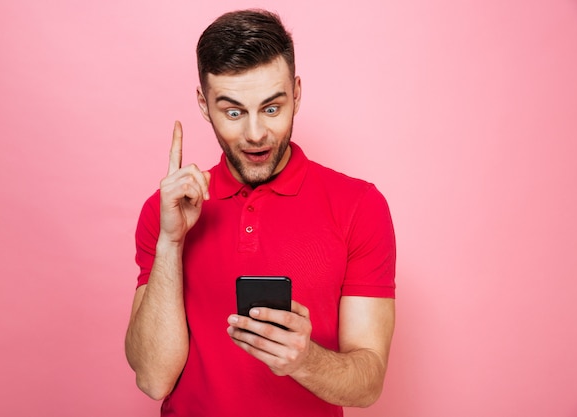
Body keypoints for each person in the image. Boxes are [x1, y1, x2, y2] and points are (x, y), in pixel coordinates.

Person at [125, 9, 396, 417]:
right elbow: (153, 379)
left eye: (271, 108)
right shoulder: (166, 212)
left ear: (297, 94)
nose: (255, 134)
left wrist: (305, 360)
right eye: (233, 112)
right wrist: (171, 241)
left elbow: (368, 382)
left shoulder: (360, 206)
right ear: (204, 104)